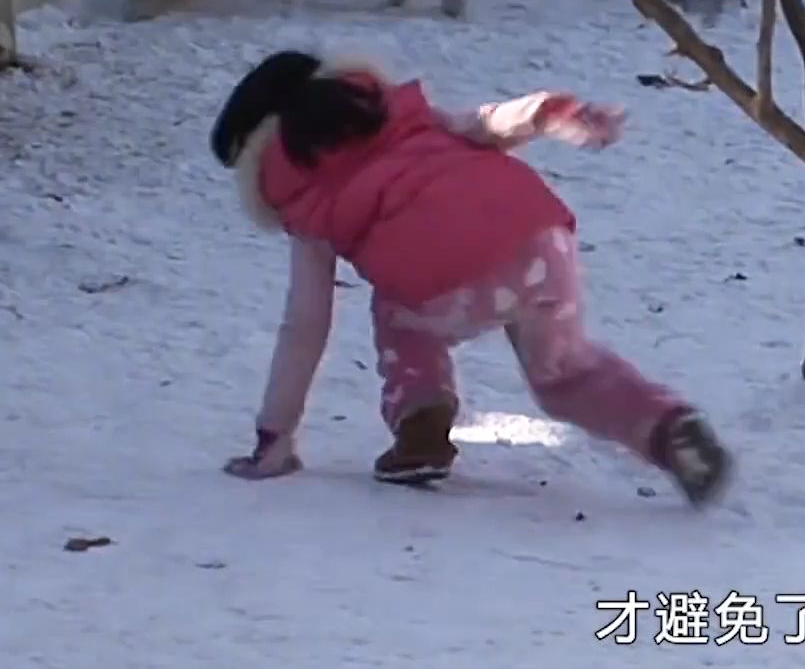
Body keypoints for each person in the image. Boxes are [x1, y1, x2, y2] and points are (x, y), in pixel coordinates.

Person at [209, 49, 730, 507]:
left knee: (398, 317)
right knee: (565, 371)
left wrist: (275, 434)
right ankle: (666, 428)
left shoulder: (306, 197)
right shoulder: (404, 116)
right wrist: (550, 112)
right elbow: (488, 124)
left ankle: (422, 424)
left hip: (442, 284)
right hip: (539, 237)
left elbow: (305, 326)